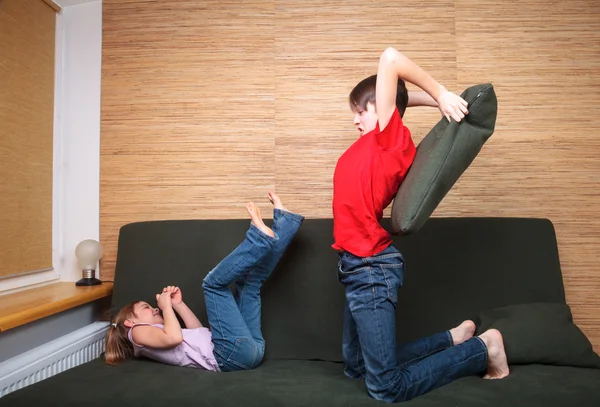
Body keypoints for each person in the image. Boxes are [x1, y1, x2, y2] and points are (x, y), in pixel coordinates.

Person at [332, 47, 509, 403]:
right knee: (355, 366)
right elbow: (397, 96)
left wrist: (441, 92)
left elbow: (390, 58)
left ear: (379, 111)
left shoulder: (389, 141)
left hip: (370, 269)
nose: (355, 120)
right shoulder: (376, 140)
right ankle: (453, 339)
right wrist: (431, 101)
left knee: (384, 388)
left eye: (360, 111)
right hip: (353, 266)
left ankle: (482, 348)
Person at [104, 192, 304, 372]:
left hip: (247, 351)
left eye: (151, 307)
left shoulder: (154, 332)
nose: (154, 308)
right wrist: (166, 308)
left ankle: (285, 225)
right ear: (130, 322)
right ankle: (257, 240)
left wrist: (178, 305)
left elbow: (199, 331)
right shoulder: (137, 334)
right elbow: (174, 338)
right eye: (146, 307)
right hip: (230, 356)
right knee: (212, 285)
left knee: (250, 283)